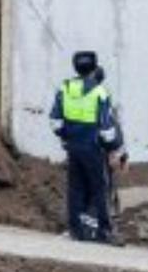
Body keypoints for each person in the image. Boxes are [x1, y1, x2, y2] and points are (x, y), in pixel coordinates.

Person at [49, 51, 126, 243]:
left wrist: (67, 137)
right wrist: (112, 148)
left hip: (73, 146)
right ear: (94, 67)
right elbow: (107, 128)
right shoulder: (100, 92)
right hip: (94, 148)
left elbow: (55, 122)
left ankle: (76, 231)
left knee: (76, 188)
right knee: (100, 188)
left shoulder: (64, 88)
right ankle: (104, 232)